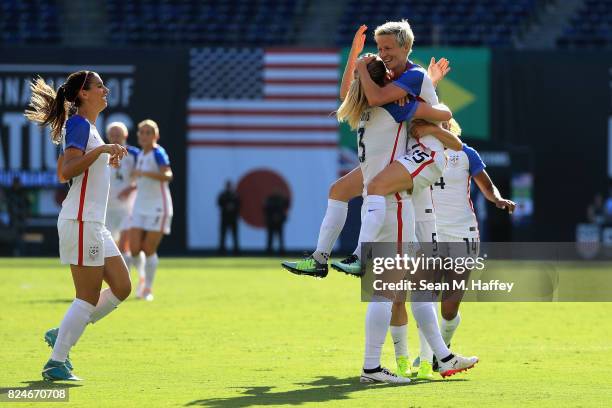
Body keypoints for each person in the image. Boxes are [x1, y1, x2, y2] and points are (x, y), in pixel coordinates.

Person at [25, 70, 130, 381]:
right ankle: (56, 362)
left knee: (123, 287)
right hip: (81, 220)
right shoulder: (79, 125)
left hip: (93, 223)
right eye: (99, 86)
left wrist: (103, 154)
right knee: (86, 296)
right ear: (84, 93)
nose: (106, 90)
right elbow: (64, 171)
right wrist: (101, 151)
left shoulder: (89, 128)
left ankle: (64, 332)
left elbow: (79, 169)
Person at [414, 129, 515, 377]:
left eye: (444, 124)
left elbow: (487, 186)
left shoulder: (466, 153)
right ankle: (429, 356)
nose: (440, 128)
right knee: (424, 297)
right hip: (431, 231)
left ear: (451, 128)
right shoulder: (418, 152)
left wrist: (498, 199)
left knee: (449, 306)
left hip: (463, 233)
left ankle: (442, 351)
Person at [129, 119, 173, 301]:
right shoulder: (139, 155)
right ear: (138, 135)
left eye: (149, 132)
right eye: (142, 132)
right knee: (133, 248)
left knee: (148, 248)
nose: (145, 135)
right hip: (139, 206)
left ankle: (147, 288)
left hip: (158, 207)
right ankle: (141, 279)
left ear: (156, 136)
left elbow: (168, 175)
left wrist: (144, 174)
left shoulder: (158, 153)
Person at [104, 122, 142, 286]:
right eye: (112, 135)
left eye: (118, 135)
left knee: (125, 246)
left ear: (125, 136)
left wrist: (131, 188)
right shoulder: (102, 153)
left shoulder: (134, 154)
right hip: (106, 208)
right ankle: (116, 283)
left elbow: (144, 178)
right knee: (109, 249)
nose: (115, 138)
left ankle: (135, 281)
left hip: (127, 208)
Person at [5, 176, 30, 255]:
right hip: (13, 220)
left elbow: (28, 206)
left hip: (22, 220)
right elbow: (8, 207)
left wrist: (26, 216)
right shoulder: (9, 193)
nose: (17, 185)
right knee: (13, 237)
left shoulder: (23, 193)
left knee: (22, 237)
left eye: (18, 183)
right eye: (15, 183)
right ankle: (13, 252)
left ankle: (22, 253)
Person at [217, 180, 240, 254]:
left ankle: (236, 251)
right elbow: (219, 203)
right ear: (226, 186)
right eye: (228, 186)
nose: (229, 187)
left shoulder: (236, 195)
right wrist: (226, 206)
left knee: (235, 235)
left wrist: (233, 207)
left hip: (233, 218)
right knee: (223, 235)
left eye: (230, 186)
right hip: (224, 218)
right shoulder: (222, 195)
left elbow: (239, 204)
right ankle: (222, 251)